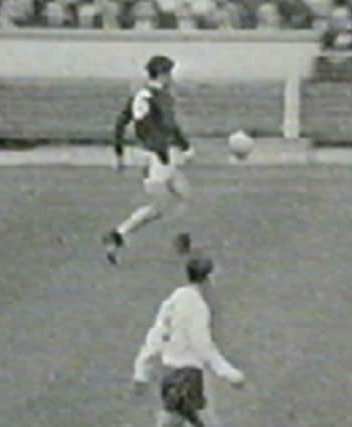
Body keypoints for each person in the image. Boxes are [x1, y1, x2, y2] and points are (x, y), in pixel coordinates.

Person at [131, 256, 246, 427]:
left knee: (170, 422)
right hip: (188, 378)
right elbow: (203, 346)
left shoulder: (173, 300)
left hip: (169, 374)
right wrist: (230, 373)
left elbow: (157, 334)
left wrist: (141, 370)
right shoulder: (198, 306)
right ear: (208, 278)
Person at [103, 55, 195, 265]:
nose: (171, 77)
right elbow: (144, 127)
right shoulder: (147, 97)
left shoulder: (161, 96)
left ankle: (181, 241)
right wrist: (159, 150)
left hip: (162, 155)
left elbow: (169, 126)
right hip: (155, 156)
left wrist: (185, 146)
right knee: (160, 206)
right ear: (162, 74)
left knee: (182, 195)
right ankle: (118, 234)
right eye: (169, 73)